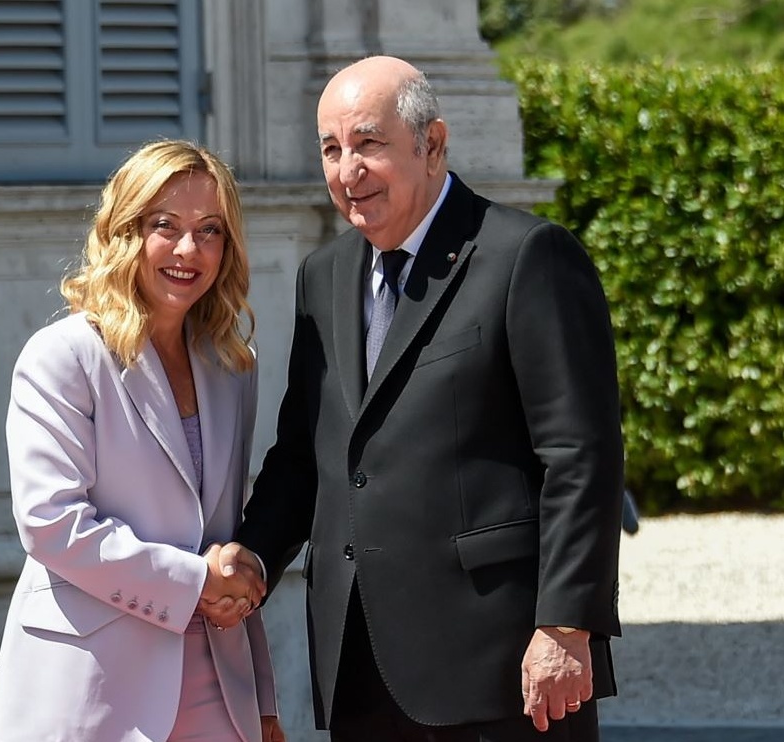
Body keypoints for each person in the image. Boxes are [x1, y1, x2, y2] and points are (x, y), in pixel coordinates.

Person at [207, 56, 625, 741]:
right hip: (360, 670)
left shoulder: (527, 256)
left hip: (502, 664)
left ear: (431, 144)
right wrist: (252, 557)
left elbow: (581, 455)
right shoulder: (322, 277)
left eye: (368, 143)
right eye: (331, 149)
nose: (348, 171)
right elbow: (306, 454)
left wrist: (565, 624)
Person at [0, 140, 285, 742]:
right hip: (90, 687)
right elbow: (51, 524)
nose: (188, 249)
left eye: (210, 230)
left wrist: (262, 699)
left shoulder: (232, 367)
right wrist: (194, 582)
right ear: (125, 232)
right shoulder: (63, 356)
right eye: (164, 225)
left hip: (217, 683)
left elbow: (221, 534)